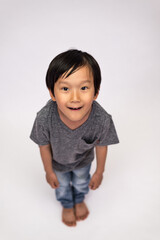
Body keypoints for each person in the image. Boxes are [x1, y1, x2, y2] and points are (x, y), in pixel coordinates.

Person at [30, 49, 119, 227]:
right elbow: (43, 145)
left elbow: (102, 145)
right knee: (61, 187)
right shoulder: (44, 118)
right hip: (58, 164)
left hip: (83, 162)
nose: (75, 98)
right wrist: (49, 171)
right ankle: (67, 204)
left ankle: (78, 200)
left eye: (84, 88)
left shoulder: (102, 120)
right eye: (65, 88)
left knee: (81, 183)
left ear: (96, 92)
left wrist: (99, 171)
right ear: (52, 93)